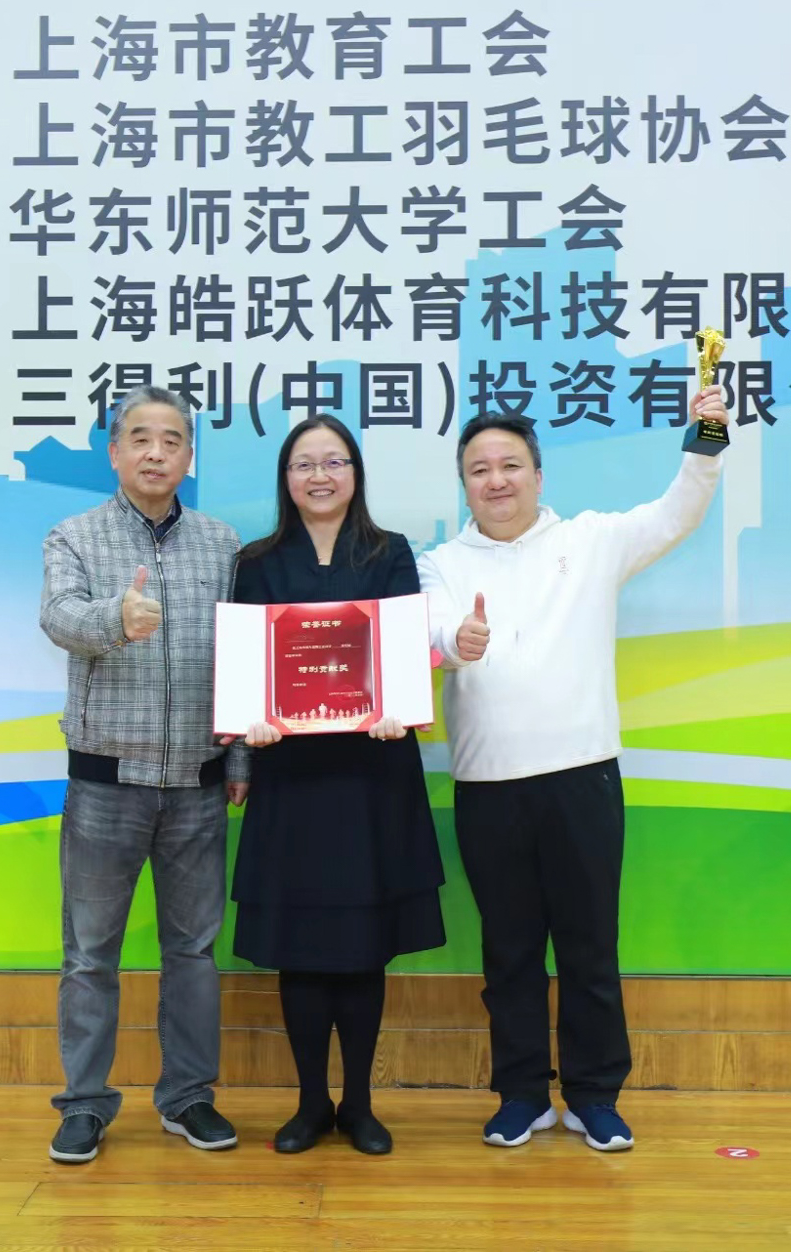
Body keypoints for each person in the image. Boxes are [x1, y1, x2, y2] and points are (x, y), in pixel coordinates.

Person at [417, 389, 728, 1152]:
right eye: (479, 469)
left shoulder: (591, 541)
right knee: (510, 950)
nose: (496, 480)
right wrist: (458, 641)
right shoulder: (442, 563)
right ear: (464, 484)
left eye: (510, 465)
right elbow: (432, 629)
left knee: (589, 947)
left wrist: (707, 434)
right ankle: (522, 1093)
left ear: (538, 474)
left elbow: (678, 512)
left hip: (582, 778)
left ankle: (594, 1095)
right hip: (488, 786)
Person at [37, 385, 250, 1165]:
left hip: (198, 782)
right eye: (141, 438)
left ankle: (188, 1095)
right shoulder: (75, 535)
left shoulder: (223, 544)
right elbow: (58, 614)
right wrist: (114, 620)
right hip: (105, 783)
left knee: (192, 951)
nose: (156, 452)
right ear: (115, 451)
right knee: (90, 952)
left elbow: (240, 659)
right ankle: (84, 1103)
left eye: (172, 440)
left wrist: (239, 757)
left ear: (189, 456)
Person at [231, 415, 447, 1157]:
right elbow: (247, 668)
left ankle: (358, 1104)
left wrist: (398, 705)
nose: (319, 476)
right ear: (286, 479)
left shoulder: (390, 553)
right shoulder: (257, 561)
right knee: (301, 948)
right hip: (291, 779)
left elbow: (403, 656)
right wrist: (252, 721)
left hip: (371, 776)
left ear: (355, 473)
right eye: (304, 464)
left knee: (363, 945)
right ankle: (309, 1104)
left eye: (334, 461)